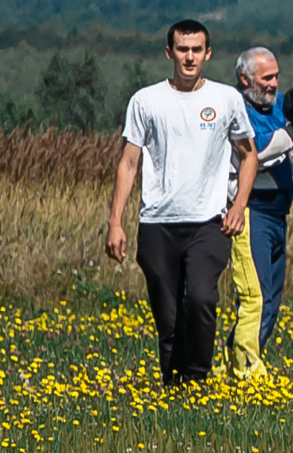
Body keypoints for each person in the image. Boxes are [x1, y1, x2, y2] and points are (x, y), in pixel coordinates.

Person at [105, 19, 257, 385]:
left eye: (196, 50)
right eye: (182, 49)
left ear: (208, 54)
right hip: (158, 222)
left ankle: (198, 378)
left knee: (202, 299)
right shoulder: (146, 100)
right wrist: (115, 222)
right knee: (169, 316)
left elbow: (249, 155)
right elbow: (128, 163)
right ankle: (175, 386)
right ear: (169, 52)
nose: (189, 58)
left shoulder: (226, 99)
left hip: (208, 221)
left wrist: (237, 207)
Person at [224, 46, 293, 380]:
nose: (275, 84)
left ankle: (233, 364)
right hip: (252, 212)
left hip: (277, 215)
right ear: (245, 79)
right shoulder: (237, 109)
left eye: (276, 76)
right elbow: (258, 153)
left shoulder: (276, 107)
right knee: (256, 298)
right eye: (267, 78)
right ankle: (246, 371)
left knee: (271, 301)